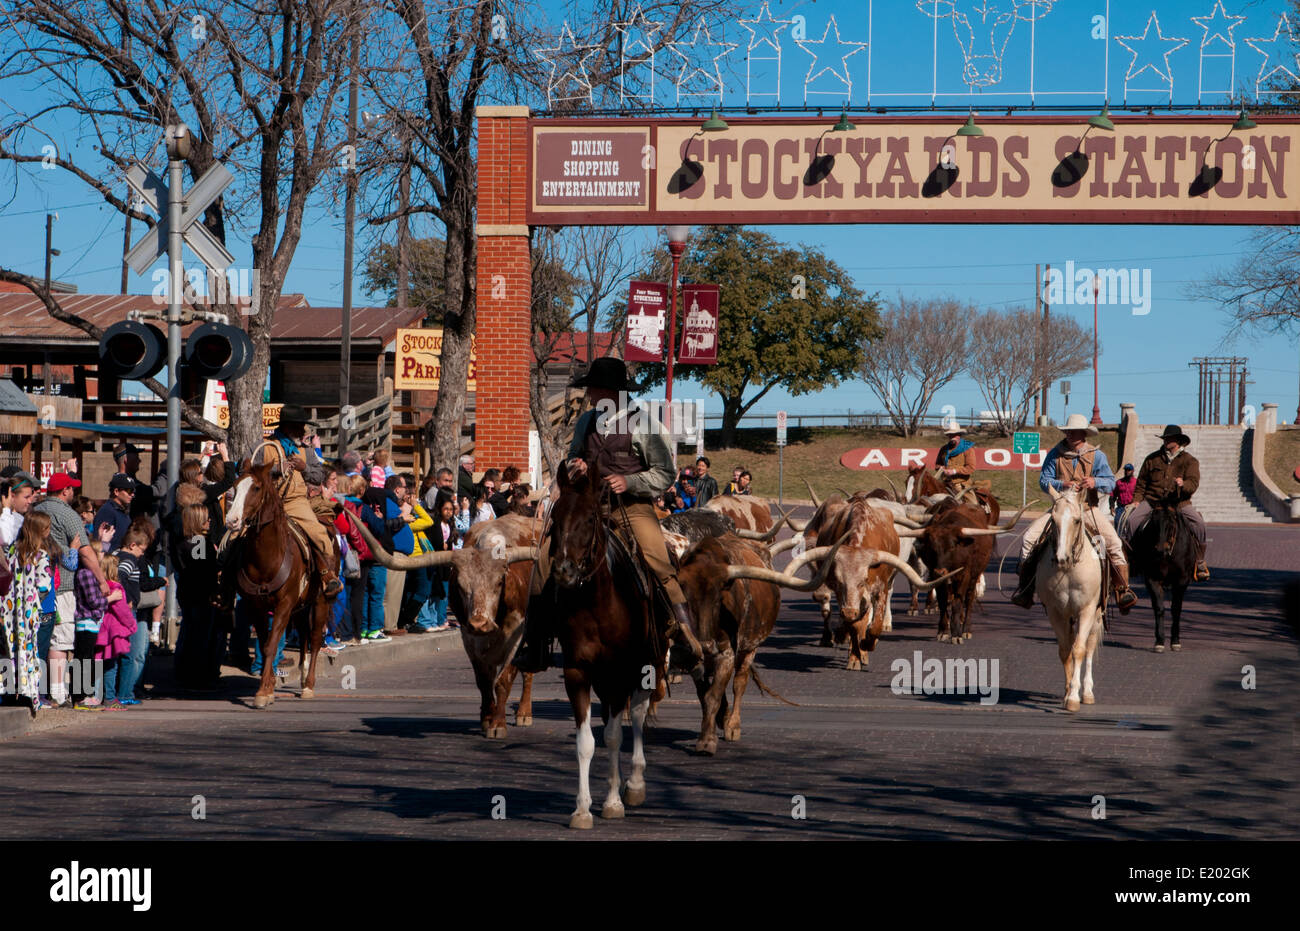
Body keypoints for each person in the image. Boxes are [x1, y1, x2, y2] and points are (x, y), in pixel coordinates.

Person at [514, 357, 704, 673]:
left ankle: (685, 639)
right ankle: (536, 644)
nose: (588, 393)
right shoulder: (587, 421)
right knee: (546, 560)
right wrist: (577, 466)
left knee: (657, 560)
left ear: (610, 391)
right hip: (588, 507)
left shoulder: (642, 423)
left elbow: (665, 472)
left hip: (631, 506)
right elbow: (575, 455)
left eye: (593, 387)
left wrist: (629, 481)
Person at [1010, 413, 1138, 613]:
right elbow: (1044, 480)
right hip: (1060, 509)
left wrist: (1095, 482)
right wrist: (1062, 484)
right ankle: (1026, 589)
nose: (1070, 434)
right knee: (1029, 538)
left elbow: (1110, 482)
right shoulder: (1055, 453)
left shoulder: (1097, 455)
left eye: (1074, 431)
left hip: (1087, 509)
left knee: (1113, 543)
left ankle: (1122, 589)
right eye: (1068, 431)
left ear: (1083, 433)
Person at [241, 404, 343, 599]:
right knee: (235, 537)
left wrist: (304, 468)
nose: (302, 431)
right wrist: (275, 470)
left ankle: (327, 575)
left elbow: (319, 476)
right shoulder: (262, 446)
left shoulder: (306, 451)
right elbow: (245, 471)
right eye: (298, 426)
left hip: (296, 502)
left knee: (320, 533)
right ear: (287, 427)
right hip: (265, 504)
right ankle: (224, 583)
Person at [34, 472, 107, 705]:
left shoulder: (36, 510)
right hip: (63, 585)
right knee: (61, 641)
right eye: (72, 488)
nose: (73, 492)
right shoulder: (68, 514)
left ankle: (47, 690)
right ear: (64, 491)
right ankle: (56, 693)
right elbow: (85, 551)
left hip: (37, 584)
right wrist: (102, 580)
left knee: (46, 640)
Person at [1120, 424, 1211, 582]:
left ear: (1178, 441)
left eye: (1170, 439)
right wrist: (1136, 501)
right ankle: (1131, 560)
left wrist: (1183, 485)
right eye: (1165, 438)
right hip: (1152, 501)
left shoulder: (1190, 461)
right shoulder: (1152, 459)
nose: (1166, 441)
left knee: (1199, 524)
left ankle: (1200, 561)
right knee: (1131, 521)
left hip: (1179, 503)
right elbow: (1141, 483)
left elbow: (1193, 483)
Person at [1, 511, 56, 710]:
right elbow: (44, 584)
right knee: (30, 649)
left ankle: (8, 691)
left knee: (9, 647)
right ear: (42, 531)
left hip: (9, 609)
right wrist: (34, 598)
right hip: (29, 610)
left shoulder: (12, 552)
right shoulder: (40, 555)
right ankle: (29, 692)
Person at [411, 490, 461, 632]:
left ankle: (438, 619)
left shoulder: (450, 524)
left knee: (442, 594)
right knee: (432, 592)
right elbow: (434, 541)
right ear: (440, 509)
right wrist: (442, 546)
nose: (448, 512)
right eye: (446, 509)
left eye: (451, 509)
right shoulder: (435, 524)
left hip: (445, 564)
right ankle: (427, 621)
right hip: (434, 562)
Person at [95, 551, 137, 709]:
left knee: (98, 663)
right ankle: (110, 697)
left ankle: (96, 696)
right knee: (111, 666)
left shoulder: (98, 587)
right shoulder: (116, 587)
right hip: (113, 633)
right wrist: (132, 625)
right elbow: (122, 611)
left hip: (99, 631)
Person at [94, 473, 136, 552]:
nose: (132, 494)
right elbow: (100, 544)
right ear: (116, 491)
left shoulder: (122, 511)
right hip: (113, 561)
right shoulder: (107, 512)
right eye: (129, 491)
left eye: (134, 491)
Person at [935, 423, 976, 492]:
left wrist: (954, 471)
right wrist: (941, 468)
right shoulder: (943, 449)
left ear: (959, 435)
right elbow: (937, 465)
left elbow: (970, 468)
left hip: (962, 484)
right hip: (945, 483)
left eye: (955, 435)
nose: (952, 437)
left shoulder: (968, 449)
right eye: (950, 435)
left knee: (972, 502)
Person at [1, 472, 36, 546]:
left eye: (30, 497)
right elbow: (5, 539)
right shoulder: (7, 518)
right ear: (12, 496)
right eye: (26, 497)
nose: (30, 501)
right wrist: (6, 509)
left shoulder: (22, 517)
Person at [1112, 463, 1137, 529]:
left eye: (1129, 470)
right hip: (1121, 507)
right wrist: (1111, 506)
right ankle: (1118, 537)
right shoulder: (1119, 482)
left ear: (1132, 471)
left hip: (1132, 507)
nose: (1127, 472)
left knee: (1131, 522)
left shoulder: (1136, 482)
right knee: (1117, 522)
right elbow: (1113, 495)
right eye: (1126, 470)